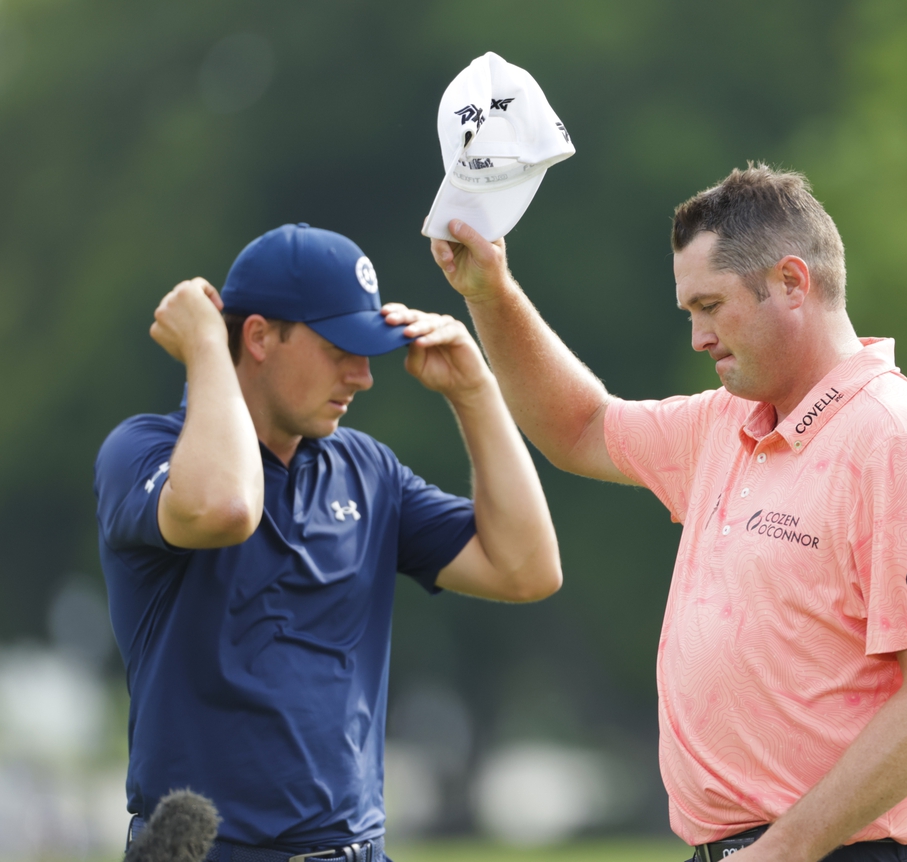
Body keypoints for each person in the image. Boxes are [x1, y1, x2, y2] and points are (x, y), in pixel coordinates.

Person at [429, 165, 907, 862]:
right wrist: (491, 294)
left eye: (710, 306)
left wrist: (785, 850)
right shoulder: (725, 424)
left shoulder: (902, 440)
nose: (698, 338)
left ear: (791, 282)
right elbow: (579, 428)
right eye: (689, 313)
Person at [95, 223, 561, 862]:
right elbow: (226, 507)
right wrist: (207, 347)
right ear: (258, 336)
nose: (362, 376)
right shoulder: (143, 451)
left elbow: (527, 570)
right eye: (340, 346)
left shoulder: (367, 470)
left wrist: (475, 393)